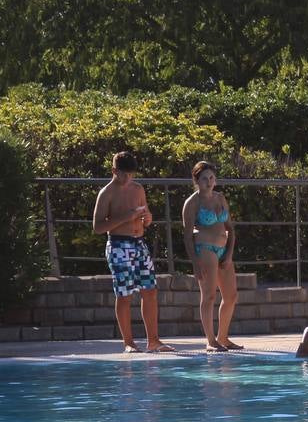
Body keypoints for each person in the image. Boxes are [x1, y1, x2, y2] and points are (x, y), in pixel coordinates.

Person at [91, 151, 174, 353]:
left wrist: (147, 218)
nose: (128, 178)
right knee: (125, 294)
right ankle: (128, 342)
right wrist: (127, 217)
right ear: (114, 171)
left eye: (131, 174)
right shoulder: (107, 193)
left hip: (139, 243)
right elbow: (98, 227)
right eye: (124, 174)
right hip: (119, 245)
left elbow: (146, 216)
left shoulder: (138, 189)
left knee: (150, 291)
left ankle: (153, 340)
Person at [181, 161, 242, 352]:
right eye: (205, 178)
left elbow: (230, 229)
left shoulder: (220, 198)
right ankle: (210, 340)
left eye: (212, 178)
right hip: (204, 249)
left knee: (231, 296)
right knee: (208, 295)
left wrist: (230, 254)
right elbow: (187, 236)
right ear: (196, 180)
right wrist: (195, 263)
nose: (209, 182)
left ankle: (222, 337)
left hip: (223, 250)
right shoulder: (192, 203)